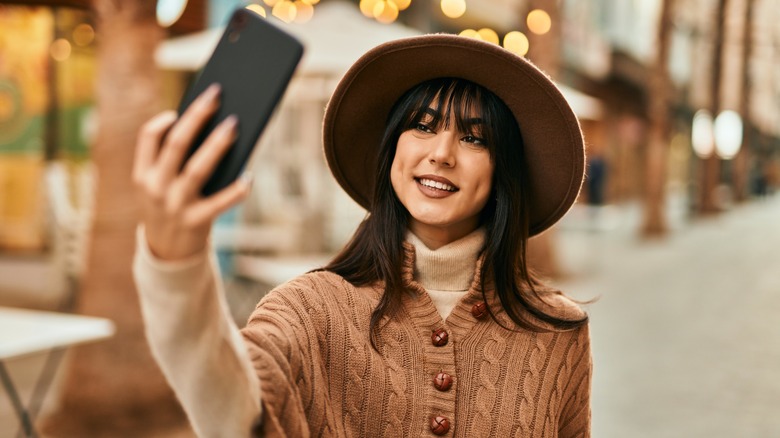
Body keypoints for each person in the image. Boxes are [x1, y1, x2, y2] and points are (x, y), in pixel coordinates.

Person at [133, 34, 592, 437]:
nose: (441, 154)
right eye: (423, 126)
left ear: (503, 170)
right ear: (393, 145)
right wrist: (177, 264)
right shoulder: (308, 309)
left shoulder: (559, 332)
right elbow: (232, 410)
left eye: (475, 138)